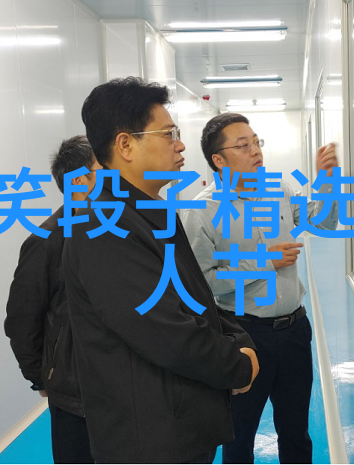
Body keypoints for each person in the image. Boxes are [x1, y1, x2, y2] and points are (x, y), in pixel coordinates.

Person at [63, 77, 259, 464]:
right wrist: (236, 365)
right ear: (125, 145)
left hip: (181, 426)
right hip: (150, 442)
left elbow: (194, 297)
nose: (180, 144)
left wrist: (239, 338)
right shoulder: (103, 228)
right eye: (168, 134)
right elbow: (167, 333)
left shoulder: (152, 213)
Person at [180, 113, 339, 464]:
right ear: (218, 160)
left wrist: (327, 181)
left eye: (256, 142)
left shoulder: (279, 190)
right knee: (239, 437)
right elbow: (201, 283)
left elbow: (325, 222)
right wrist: (263, 261)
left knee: (296, 433)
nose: (255, 151)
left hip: (294, 331)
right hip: (243, 335)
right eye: (243, 145)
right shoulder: (201, 211)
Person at [4, 135, 102, 463]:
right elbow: (22, 321)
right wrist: (42, 377)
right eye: (106, 168)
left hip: (120, 390)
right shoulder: (45, 241)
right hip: (74, 397)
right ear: (80, 181)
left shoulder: (118, 232)